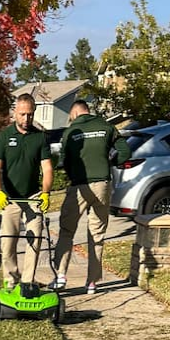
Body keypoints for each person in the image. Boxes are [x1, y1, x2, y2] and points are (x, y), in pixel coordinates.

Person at [51, 100, 117, 294]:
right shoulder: (107, 127)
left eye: (71, 116)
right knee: (97, 234)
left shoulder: (71, 132)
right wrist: (111, 162)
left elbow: (64, 161)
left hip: (79, 185)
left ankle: (61, 275)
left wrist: (73, 176)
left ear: (75, 112)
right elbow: (124, 151)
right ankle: (92, 282)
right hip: (103, 185)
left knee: (67, 229)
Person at [0, 94, 53, 297]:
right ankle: (11, 280)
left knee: (35, 238)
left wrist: (45, 193)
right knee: (8, 242)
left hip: (33, 196)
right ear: (15, 113)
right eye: (23, 114)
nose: (26, 118)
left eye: (30, 114)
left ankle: (27, 282)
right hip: (9, 198)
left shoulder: (40, 137)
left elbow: (48, 168)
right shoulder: (4, 137)